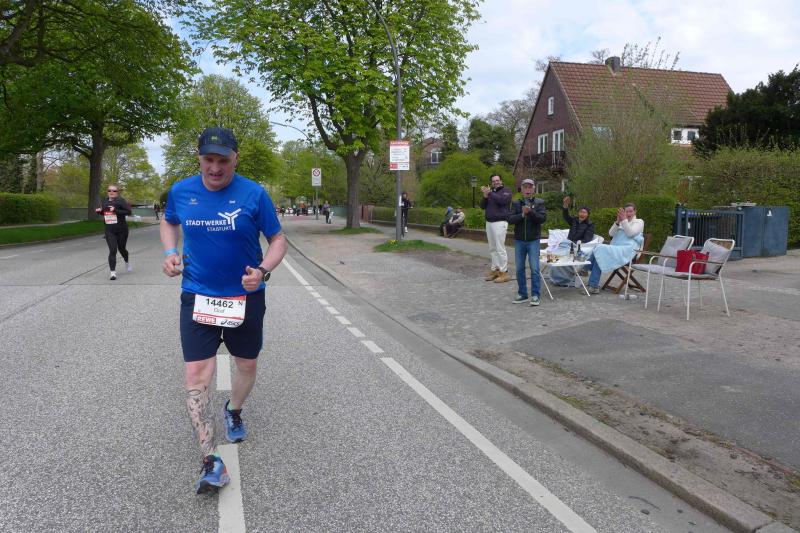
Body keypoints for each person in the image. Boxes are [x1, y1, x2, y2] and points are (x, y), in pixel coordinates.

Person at [160, 127, 287, 494]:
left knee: (246, 364)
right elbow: (169, 220)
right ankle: (210, 460)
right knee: (196, 374)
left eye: (223, 161)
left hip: (245, 298)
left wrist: (262, 270)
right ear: (198, 157)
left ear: (236, 159)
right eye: (208, 160)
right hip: (197, 295)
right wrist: (170, 253)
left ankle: (233, 410)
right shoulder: (181, 191)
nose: (215, 168)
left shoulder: (254, 194)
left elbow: (278, 239)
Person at [586, 203, 644, 294]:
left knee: (601, 249)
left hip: (628, 251)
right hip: (617, 248)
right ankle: (592, 284)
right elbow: (611, 234)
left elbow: (630, 233)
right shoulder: (622, 222)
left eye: (631, 211)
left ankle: (586, 269)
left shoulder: (639, 222)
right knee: (600, 249)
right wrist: (617, 222)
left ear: (635, 211)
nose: (629, 213)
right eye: (626, 211)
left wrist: (624, 220)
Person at [507, 179, 547, 305]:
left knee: (534, 268)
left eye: (530, 187)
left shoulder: (539, 202)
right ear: (522, 189)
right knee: (519, 268)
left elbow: (542, 219)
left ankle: (535, 295)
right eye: (525, 187)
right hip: (519, 240)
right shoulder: (516, 203)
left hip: (533, 240)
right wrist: (522, 215)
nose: (527, 190)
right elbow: (510, 219)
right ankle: (522, 293)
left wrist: (530, 212)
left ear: (533, 189)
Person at [549, 197, 596, 286]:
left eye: (584, 212)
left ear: (588, 214)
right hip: (567, 243)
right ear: (578, 213)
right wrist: (565, 206)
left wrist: (576, 242)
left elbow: (587, 239)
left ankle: (563, 279)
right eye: (581, 212)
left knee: (561, 257)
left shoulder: (590, 225)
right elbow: (566, 216)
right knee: (553, 255)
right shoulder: (574, 220)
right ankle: (556, 277)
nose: (582, 214)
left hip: (576, 246)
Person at [479, 174, 513, 283]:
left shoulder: (506, 191)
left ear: (501, 181)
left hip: (500, 222)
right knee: (492, 248)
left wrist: (490, 193)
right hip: (489, 222)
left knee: (500, 248)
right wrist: (485, 196)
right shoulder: (491, 193)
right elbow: (482, 206)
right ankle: (495, 270)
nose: (495, 182)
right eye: (493, 181)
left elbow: (502, 201)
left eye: (497, 180)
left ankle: (504, 272)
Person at [95, 184, 132, 280]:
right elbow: (105, 212)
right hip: (109, 230)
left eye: (114, 191)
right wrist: (99, 211)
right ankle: (113, 273)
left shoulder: (121, 201)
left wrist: (116, 210)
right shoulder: (104, 201)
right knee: (113, 250)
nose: (111, 192)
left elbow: (128, 212)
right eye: (109, 190)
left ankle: (127, 261)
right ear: (107, 192)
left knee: (122, 249)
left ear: (117, 192)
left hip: (122, 230)